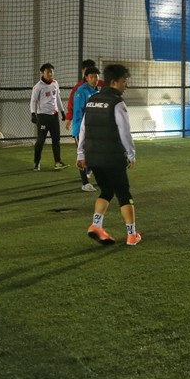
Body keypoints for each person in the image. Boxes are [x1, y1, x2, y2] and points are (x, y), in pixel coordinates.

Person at [77, 63, 141, 246]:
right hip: (112, 156)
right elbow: (124, 132)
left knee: (106, 190)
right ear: (114, 82)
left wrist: (80, 154)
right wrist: (131, 154)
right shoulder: (117, 103)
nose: (126, 85)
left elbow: (83, 128)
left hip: (93, 156)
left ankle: (96, 225)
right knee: (124, 193)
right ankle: (132, 235)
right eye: (124, 81)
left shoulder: (92, 99)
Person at [30, 63, 67, 171]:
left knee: (56, 140)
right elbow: (33, 101)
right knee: (41, 140)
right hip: (43, 117)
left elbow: (57, 97)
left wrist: (62, 111)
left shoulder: (55, 83)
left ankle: (57, 162)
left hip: (54, 116)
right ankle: (36, 162)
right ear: (42, 73)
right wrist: (33, 113)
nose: (50, 74)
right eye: (48, 72)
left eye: (51, 71)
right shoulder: (38, 87)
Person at [71, 65, 101, 192]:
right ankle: (85, 183)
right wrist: (77, 130)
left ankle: (89, 171)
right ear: (86, 78)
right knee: (82, 154)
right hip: (81, 128)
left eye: (96, 77)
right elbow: (78, 111)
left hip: (93, 129)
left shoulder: (97, 92)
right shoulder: (81, 92)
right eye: (92, 77)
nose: (94, 79)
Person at [64, 58, 102, 131]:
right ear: (83, 71)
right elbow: (72, 103)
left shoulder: (101, 84)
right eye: (87, 70)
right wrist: (69, 117)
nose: (94, 79)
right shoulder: (79, 88)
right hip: (83, 125)